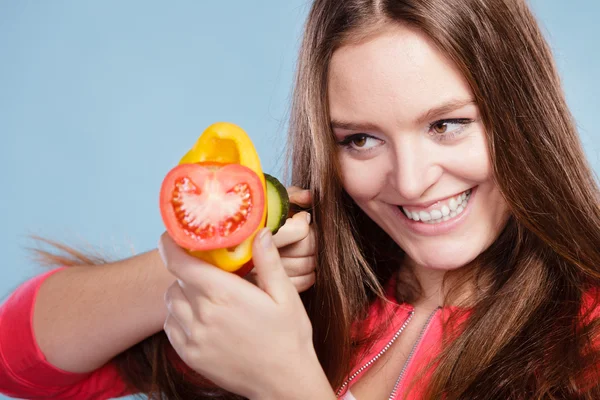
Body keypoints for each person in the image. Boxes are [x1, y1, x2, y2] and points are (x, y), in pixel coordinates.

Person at [2, 0, 600, 399]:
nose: (412, 181)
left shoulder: (586, 336)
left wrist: (286, 383)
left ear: (522, 115)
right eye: (361, 139)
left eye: (447, 125)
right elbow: (21, 360)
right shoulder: (305, 303)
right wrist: (210, 261)